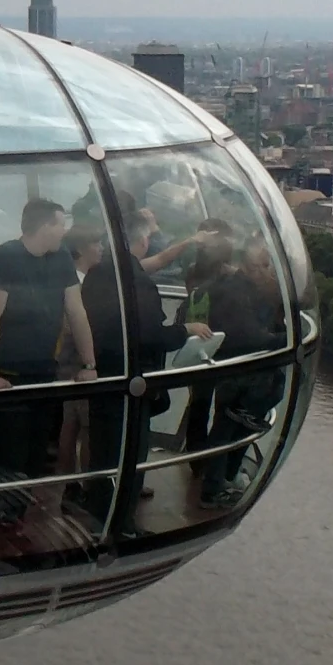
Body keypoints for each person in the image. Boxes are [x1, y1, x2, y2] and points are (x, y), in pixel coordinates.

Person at [0, 198, 96, 548]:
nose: (64, 230)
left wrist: (89, 364)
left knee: (35, 451)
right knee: (8, 450)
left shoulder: (60, 259)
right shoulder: (5, 256)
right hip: (11, 370)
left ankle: (19, 517)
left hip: (46, 367)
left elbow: (76, 311)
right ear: (45, 226)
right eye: (60, 224)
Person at [81, 216, 213, 513]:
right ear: (141, 243)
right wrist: (186, 330)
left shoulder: (98, 273)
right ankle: (121, 522)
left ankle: (95, 509)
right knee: (131, 453)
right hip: (131, 385)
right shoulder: (140, 285)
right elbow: (151, 336)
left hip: (102, 376)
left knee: (103, 451)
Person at [198, 240, 289, 508]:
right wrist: (286, 338)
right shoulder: (235, 294)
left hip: (241, 373)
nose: (265, 271)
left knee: (230, 427)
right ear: (246, 267)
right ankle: (213, 489)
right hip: (236, 372)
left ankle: (222, 478)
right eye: (260, 267)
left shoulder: (245, 289)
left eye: (267, 266)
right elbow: (250, 336)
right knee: (225, 429)